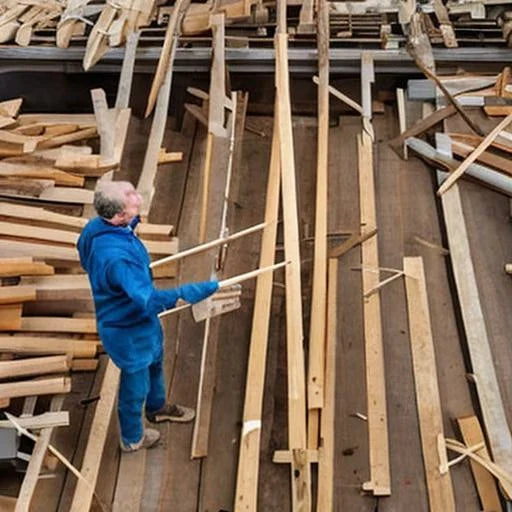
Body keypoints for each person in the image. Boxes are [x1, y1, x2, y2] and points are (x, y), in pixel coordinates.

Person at [77, 180, 219, 452]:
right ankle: (132, 439)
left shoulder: (97, 227)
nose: (137, 199)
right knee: (135, 387)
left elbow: (84, 256)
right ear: (119, 215)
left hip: (139, 323)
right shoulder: (118, 261)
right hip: (127, 329)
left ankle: (158, 407)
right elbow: (150, 300)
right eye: (130, 197)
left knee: (156, 361)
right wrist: (191, 292)